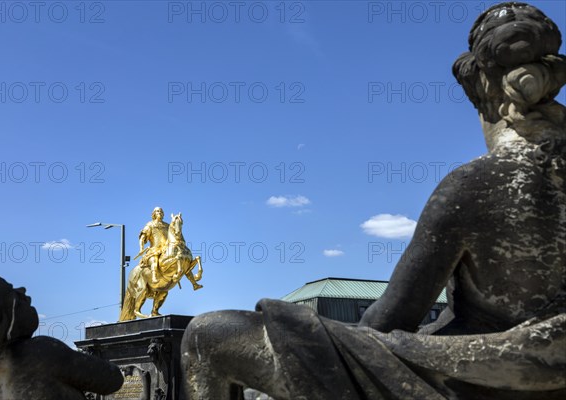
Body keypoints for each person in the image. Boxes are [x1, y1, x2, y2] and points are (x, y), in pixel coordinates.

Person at [180, 3, 566, 399]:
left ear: (484, 90)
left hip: (476, 382)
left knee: (209, 335)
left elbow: (387, 320)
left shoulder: (476, 184)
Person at [0, 271, 123, 400]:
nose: (23, 290)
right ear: (1, 316)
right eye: (12, 291)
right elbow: (111, 380)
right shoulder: (41, 353)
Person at [137, 206, 170, 284]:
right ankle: (154, 277)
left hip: (166, 249)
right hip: (154, 249)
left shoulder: (168, 226)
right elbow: (142, 238)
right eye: (158, 211)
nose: (160, 213)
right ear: (154, 213)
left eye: (161, 211)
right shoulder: (150, 224)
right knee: (154, 259)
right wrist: (141, 249)